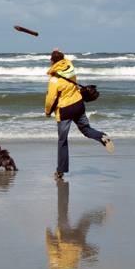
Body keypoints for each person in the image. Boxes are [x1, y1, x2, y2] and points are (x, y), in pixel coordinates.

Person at [45, 49, 113, 178]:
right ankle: (102, 136)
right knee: (86, 129)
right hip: (78, 104)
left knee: (62, 141)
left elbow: (51, 99)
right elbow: (64, 60)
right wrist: (58, 52)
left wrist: (48, 111)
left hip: (65, 110)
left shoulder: (54, 80)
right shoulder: (70, 67)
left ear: (52, 61)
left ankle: (60, 171)